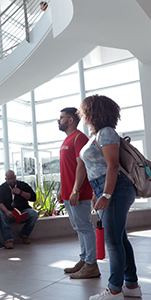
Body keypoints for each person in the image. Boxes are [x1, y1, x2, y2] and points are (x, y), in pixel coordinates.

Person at [78, 95, 141, 300]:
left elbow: (112, 165)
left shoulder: (106, 133)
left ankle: (114, 290)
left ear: (93, 112)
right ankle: (131, 285)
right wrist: (99, 193)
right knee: (120, 238)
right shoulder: (97, 135)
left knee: (113, 241)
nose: (83, 115)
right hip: (107, 187)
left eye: (85, 111)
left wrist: (106, 193)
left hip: (116, 187)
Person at [57, 107, 100, 279]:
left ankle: (91, 264)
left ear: (70, 120)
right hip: (68, 193)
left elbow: (81, 166)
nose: (59, 120)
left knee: (85, 227)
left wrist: (75, 190)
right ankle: (84, 260)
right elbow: (66, 168)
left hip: (79, 193)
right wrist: (63, 189)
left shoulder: (79, 138)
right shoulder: (67, 139)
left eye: (61, 117)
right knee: (79, 228)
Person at [0, 170, 38, 249]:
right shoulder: (1, 188)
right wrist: (7, 212)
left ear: (15, 177)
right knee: (0, 214)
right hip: (9, 212)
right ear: (6, 179)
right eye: (9, 179)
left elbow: (33, 197)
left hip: (22, 211)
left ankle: (25, 234)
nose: (11, 180)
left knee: (34, 214)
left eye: (13, 178)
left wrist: (21, 192)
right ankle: (8, 240)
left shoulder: (22, 185)